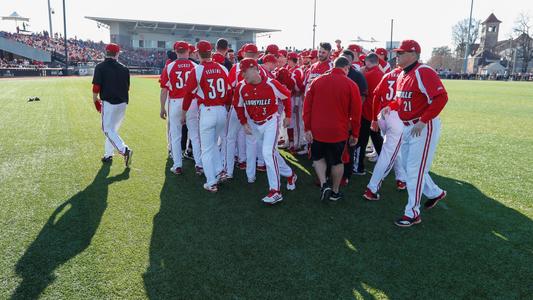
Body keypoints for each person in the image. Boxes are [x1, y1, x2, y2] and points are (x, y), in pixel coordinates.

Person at [381, 40, 448, 227]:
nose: (397, 56)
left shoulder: (423, 71)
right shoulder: (403, 74)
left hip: (423, 126)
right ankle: (434, 192)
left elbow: (441, 97)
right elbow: (401, 99)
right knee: (410, 166)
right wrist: (391, 105)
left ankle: (412, 212)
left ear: (413, 54)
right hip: (408, 125)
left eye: (401, 53)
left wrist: (423, 120)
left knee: (413, 169)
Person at [234, 58, 297, 205]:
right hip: (254, 124)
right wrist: (243, 122)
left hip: (270, 122)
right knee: (271, 153)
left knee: (267, 153)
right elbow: (238, 105)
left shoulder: (271, 83)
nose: (243, 75)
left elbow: (286, 95)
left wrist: (288, 115)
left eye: (244, 71)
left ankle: (275, 191)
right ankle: (290, 174)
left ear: (254, 69)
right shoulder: (241, 86)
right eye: (241, 72)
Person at [303, 57, 362, 201]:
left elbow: (307, 107)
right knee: (337, 161)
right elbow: (356, 112)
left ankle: (324, 183)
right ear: (346, 68)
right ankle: (335, 191)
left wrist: (307, 128)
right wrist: (355, 133)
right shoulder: (351, 84)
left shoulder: (317, 81)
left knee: (318, 158)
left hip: (318, 129)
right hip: (338, 131)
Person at [183, 40, 232, 192]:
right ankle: (219, 170)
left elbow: (189, 94)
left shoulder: (197, 70)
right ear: (211, 52)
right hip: (222, 110)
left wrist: (184, 113)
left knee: (206, 148)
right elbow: (230, 92)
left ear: (197, 53)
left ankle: (211, 182)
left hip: (208, 111)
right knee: (213, 144)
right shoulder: (223, 68)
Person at [363, 66, 407, 201]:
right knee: (388, 153)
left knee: (394, 149)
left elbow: (376, 95)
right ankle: (372, 188)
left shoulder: (388, 74)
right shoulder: (407, 75)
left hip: (383, 115)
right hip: (397, 117)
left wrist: (374, 119)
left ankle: (401, 178)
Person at [159, 41, 201, 175]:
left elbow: (164, 90)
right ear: (188, 51)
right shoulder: (195, 65)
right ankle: (199, 164)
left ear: (176, 51)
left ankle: (177, 165)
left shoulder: (170, 66)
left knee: (175, 136)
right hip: (192, 102)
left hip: (176, 102)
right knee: (195, 135)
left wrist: (162, 107)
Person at [92, 43, 132, 167]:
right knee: (112, 130)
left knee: (107, 129)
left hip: (109, 103)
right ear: (117, 53)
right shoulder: (124, 68)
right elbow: (128, 87)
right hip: (122, 103)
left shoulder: (100, 67)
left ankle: (124, 150)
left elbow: (96, 87)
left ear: (106, 52)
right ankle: (108, 154)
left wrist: (95, 101)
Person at [339, 50, 368, 186]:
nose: (343, 60)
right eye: (341, 58)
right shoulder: (334, 74)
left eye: (346, 58)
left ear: (351, 61)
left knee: (349, 147)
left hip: (350, 117)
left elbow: (362, 96)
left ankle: (347, 174)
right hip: (336, 117)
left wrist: (352, 111)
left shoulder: (357, 75)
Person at [354, 53, 384, 175]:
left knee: (361, 140)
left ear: (367, 62)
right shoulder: (381, 73)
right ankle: (387, 164)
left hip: (367, 111)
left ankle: (358, 167)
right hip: (378, 111)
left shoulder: (366, 74)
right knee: (377, 140)